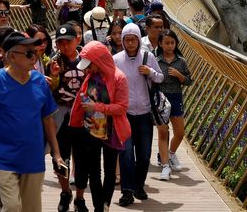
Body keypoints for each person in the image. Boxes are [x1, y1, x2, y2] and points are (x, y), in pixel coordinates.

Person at [0, 32, 64, 212]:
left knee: (31, 209)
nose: (34, 57)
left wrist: (57, 154)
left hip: (33, 158)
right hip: (3, 158)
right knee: (12, 206)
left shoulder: (39, 81)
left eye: (35, 53)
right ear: (11, 56)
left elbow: (47, 119)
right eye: (29, 54)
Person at [69, 42, 131, 212]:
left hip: (112, 131)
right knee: (93, 170)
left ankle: (105, 204)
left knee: (110, 171)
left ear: (99, 60)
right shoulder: (91, 76)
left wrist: (97, 107)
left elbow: (122, 107)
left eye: (90, 65)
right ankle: (99, 207)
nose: (88, 69)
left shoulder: (119, 78)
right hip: (92, 129)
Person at [113, 23, 163, 207]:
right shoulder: (116, 60)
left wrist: (149, 72)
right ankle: (127, 191)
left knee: (144, 155)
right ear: (123, 41)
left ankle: (139, 185)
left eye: (134, 39)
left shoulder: (148, 57)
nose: (131, 43)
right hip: (124, 114)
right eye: (127, 40)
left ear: (138, 39)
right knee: (126, 155)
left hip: (144, 113)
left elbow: (160, 77)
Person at [45, 24, 88, 212]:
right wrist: (53, 76)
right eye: (60, 43)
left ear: (77, 40)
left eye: (68, 42)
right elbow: (47, 91)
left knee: (82, 158)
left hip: (83, 115)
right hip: (61, 115)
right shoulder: (53, 62)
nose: (64, 46)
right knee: (60, 157)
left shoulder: (87, 59)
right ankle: (65, 192)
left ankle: (80, 197)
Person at [155, 30, 192, 180]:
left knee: (180, 132)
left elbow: (189, 81)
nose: (170, 46)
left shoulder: (181, 61)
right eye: (166, 43)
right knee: (163, 131)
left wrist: (179, 75)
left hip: (176, 97)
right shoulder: (156, 60)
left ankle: (170, 154)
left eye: (172, 43)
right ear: (160, 44)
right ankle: (165, 166)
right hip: (161, 99)